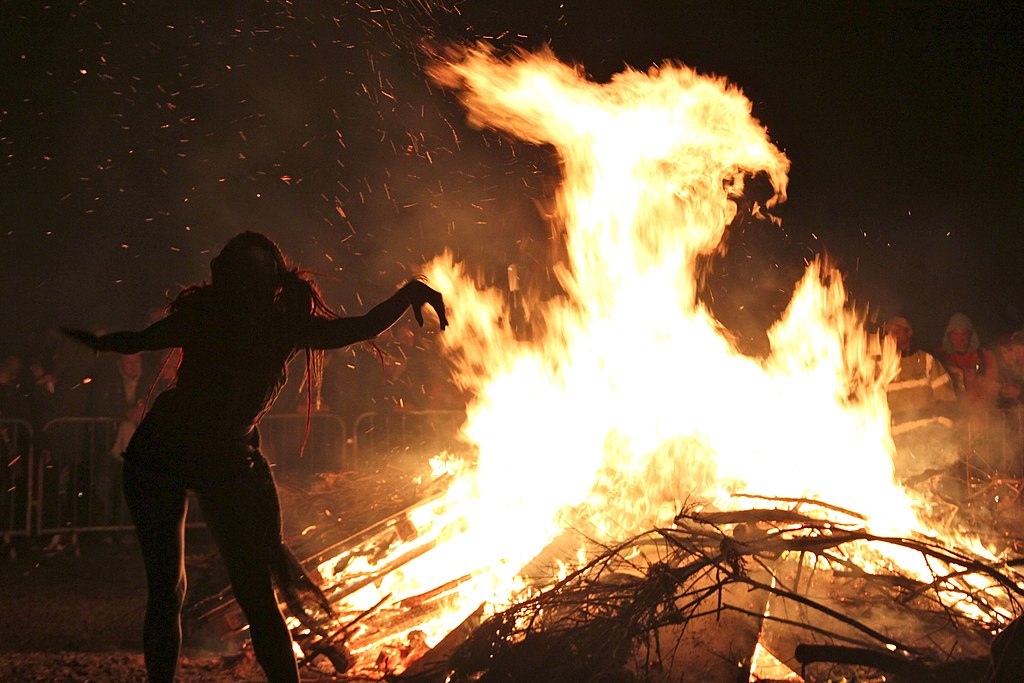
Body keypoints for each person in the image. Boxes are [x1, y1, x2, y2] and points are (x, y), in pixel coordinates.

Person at [62, 231, 448, 683]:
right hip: (166, 453)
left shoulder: (273, 322)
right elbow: (354, 328)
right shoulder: (225, 317)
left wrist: (410, 292)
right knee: (182, 591)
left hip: (221, 458)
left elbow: (138, 341)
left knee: (236, 594)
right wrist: (409, 293)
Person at [882, 316, 958, 482]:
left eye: (895, 331)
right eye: (887, 332)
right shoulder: (878, 366)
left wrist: (939, 434)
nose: (890, 336)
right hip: (896, 448)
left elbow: (948, 402)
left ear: (909, 333)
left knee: (931, 494)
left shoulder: (926, 361)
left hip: (927, 442)